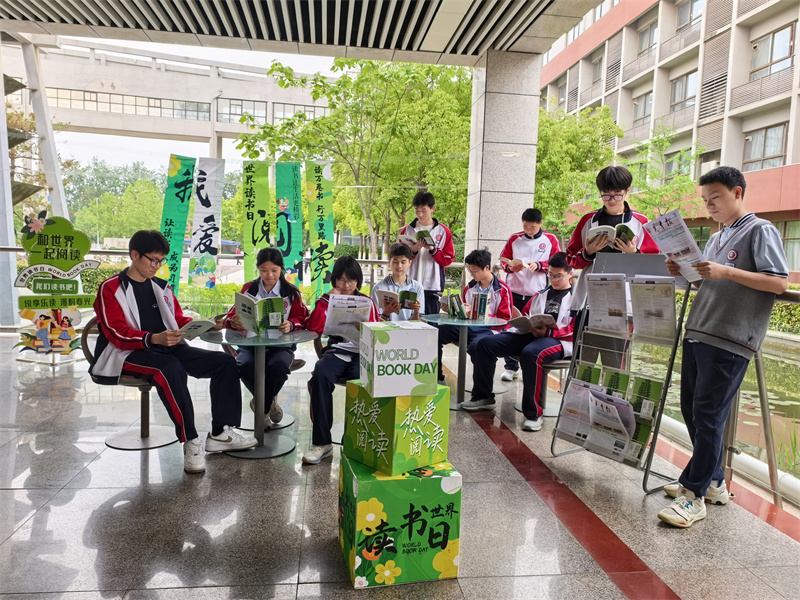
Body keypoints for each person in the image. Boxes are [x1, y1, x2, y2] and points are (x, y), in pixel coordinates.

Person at [658, 167, 788, 528]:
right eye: (705, 200)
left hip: (730, 338)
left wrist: (726, 271)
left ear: (737, 192)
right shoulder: (717, 237)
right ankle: (714, 482)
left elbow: (778, 283)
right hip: (699, 330)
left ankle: (693, 494)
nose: (709, 205)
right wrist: (684, 272)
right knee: (692, 410)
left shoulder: (760, 230)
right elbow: (710, 283)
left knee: (708, 415)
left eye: (715, 197)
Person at [89, 230, 257, 474]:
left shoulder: (161, 286)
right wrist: (152, 338)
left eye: (161, 261)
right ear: (134, 255)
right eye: (152, 260)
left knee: (224, 362)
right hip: (127, 353)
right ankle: (191, 440)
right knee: (169, 368)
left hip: (167, 346)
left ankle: (221, 433)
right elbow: (116, 332)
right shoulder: (111, 288)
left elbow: (177, 319)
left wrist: (210, 324)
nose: (157, 266)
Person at [566, 165, 659, 367]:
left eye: (617, 195)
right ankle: (581, 390)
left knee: (614, 365)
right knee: (582, 363)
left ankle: (610, 388)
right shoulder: (588, 221)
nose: (611, 200)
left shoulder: (641, 222)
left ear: (628, 191)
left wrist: (634, 253)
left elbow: (653, 264)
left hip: (622, 305)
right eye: (606, 195)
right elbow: (570, 259)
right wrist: (588, 252)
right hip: (589, 301)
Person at [464, 253, 574, 421]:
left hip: (559, 340)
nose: (553, 279)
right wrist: (524, 323)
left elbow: (576, 329)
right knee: (484, 344)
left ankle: (533, 415)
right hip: (532, 334)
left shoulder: (577, 299)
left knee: (531, 353)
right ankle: (483, 396)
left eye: (558, 276)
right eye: (550, 275)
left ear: (570, 274)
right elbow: (525, 314)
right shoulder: (540, 294)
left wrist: (548, 333)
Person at [303, 256, 379, 465]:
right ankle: (322, 443)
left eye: (351, 280)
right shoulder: (327, 300)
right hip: (336, 351)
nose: (346, 286)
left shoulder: (367, 302)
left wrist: (365, 329)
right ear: (334, 279)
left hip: (361, 352)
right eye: (342, 280)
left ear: (358, 281)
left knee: (361, 379)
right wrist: (326, 299)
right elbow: (312, 326)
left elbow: (378, 334)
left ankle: (353, 440)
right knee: (320, 375)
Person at [223, 248, 309, 428]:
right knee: (244, 366)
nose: (269, 275)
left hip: (281, 345)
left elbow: (302, 318)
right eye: (264, 270)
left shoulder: (291, 292)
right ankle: (269, 403)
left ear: (282, 268)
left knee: (278, 367)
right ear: (258, 269)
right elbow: (232, 314)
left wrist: (290, 324)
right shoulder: (249, 289)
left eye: (274, 270)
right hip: (250, 344)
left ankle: (261, 408)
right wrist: (234, 322)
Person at [498, 208, 561, 382]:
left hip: (537, 293)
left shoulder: (550, 239)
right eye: (525, 226)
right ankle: (511, 367)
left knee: (534, 330)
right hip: (514, 291)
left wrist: (540, 265)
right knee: (511, 328)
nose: (528, 230)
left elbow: (558, 262)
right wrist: (510, 267)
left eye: (532, 227)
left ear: (541, 223)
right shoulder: (515, 238)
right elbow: (503, 259)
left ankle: (530, 366)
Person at [436, 248, 513, 386]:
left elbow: (504, 320)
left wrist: (478, 314)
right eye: (470, 270)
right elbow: (464, 315)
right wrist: (454, 310)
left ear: (487, 268)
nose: (472, 274)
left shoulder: (502, 289)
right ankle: (437, 378)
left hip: (489, 330)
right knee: (435, 333)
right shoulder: (469, 288)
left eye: (475, 271)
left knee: (479, 347)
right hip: (468, 327)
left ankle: (482, 393)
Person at [398, 191, 455, 315]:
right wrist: (413, 251)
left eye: (424, 210)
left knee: (431, 321)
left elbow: (448, 259)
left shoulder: (443, 231)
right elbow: (398, 257)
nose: (420, 214)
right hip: (409, 284)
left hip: (433, 285)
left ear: (432, 208)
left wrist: (433, 250)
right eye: (417, 210)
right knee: (408, 320)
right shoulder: (407, 230)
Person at [371, 243, 424, 322]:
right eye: (395, 261)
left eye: (403, 262)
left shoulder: (417, 287)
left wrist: (416, 311)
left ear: (410, 263)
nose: (399, 266)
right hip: (386, 329)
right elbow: (375, 322)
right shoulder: (378, 288)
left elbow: (417, 322)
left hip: (409, 329)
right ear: (389, 262)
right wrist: (386, 313)